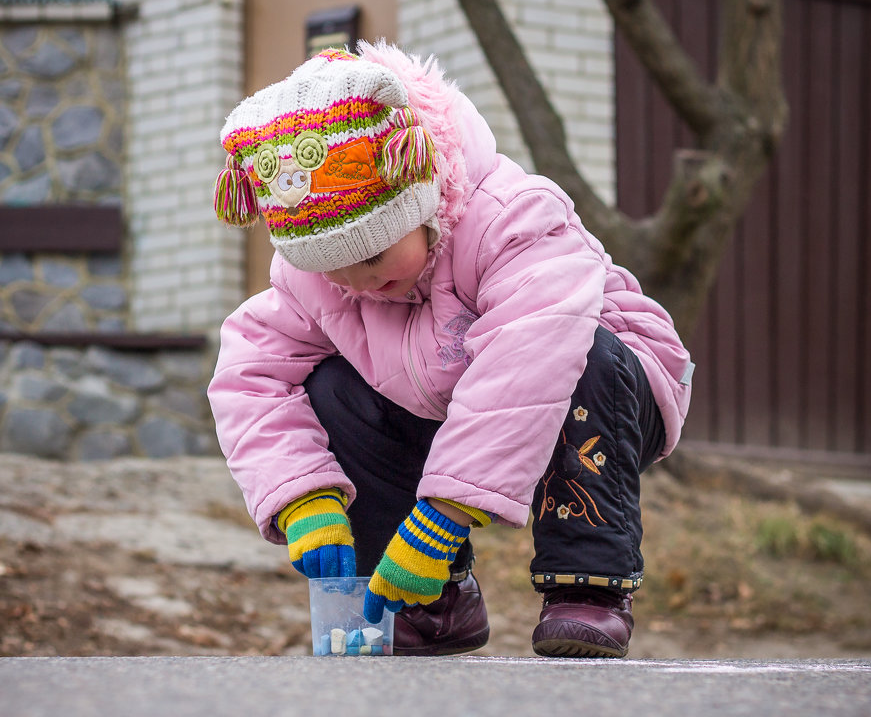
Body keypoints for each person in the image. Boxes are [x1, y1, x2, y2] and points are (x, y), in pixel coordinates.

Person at [207, 42, 693, 658]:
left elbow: (532, 354)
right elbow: (250, 372)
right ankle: (426, 603)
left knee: (584, 358)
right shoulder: (322, 280)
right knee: (331, 386)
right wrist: (303, 494)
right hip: (446, 399)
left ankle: (587, 588)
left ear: (422, 200)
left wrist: (445, 515)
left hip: (610, 391)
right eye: (333, 270)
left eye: (373, 256)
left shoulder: (511, 217)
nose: (357, 283)